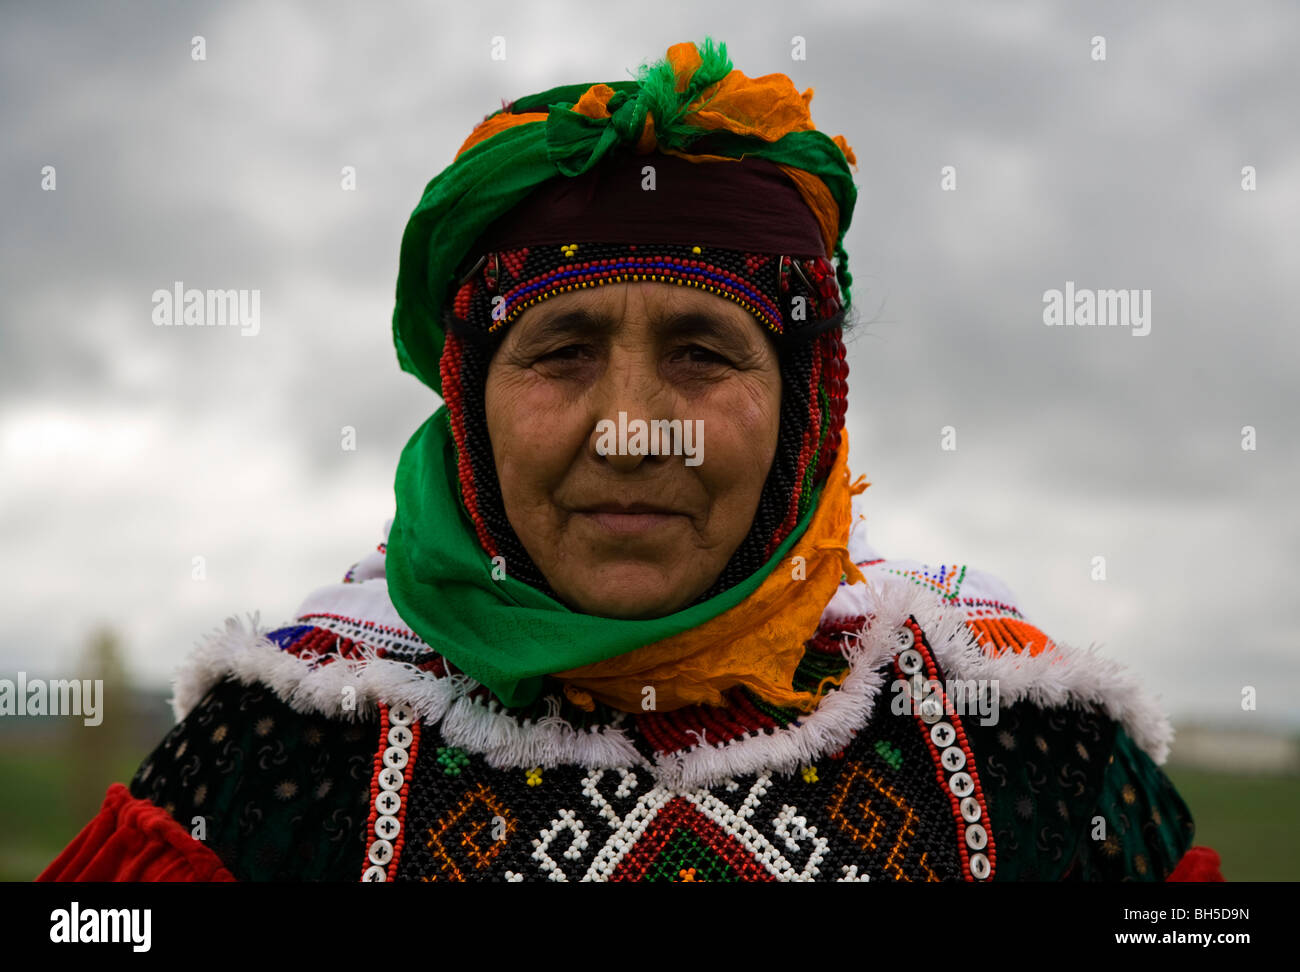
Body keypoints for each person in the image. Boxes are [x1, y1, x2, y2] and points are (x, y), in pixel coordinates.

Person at [39, 37, 1222, 883]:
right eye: (560, 352)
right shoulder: (289, 743)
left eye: (703, 353)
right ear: (470, 401)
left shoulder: (1020, 733)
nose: (630, 428)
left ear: (806, 408)